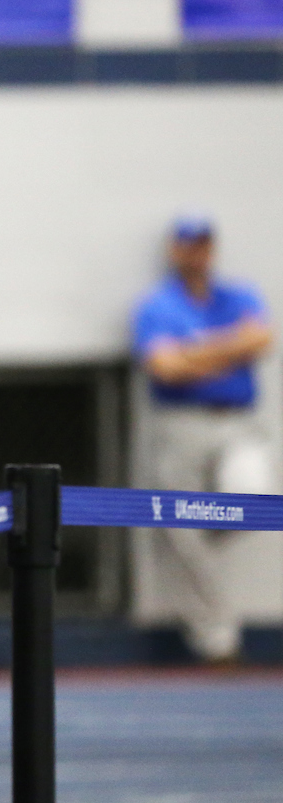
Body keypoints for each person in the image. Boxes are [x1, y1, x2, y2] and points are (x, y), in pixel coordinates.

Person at [132, 213, 274, 664]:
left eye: (204, 244)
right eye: (189, 244)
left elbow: (264, 340)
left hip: (237, 420)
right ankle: (217, 639)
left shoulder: (238, 294)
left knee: (252, 500)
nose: (197, 253)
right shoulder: (158, 304)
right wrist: (232, 349)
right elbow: (164, 367)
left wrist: (195, 352)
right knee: (180, 529)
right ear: (175, 250)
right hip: (181, 422)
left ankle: (201, 550)